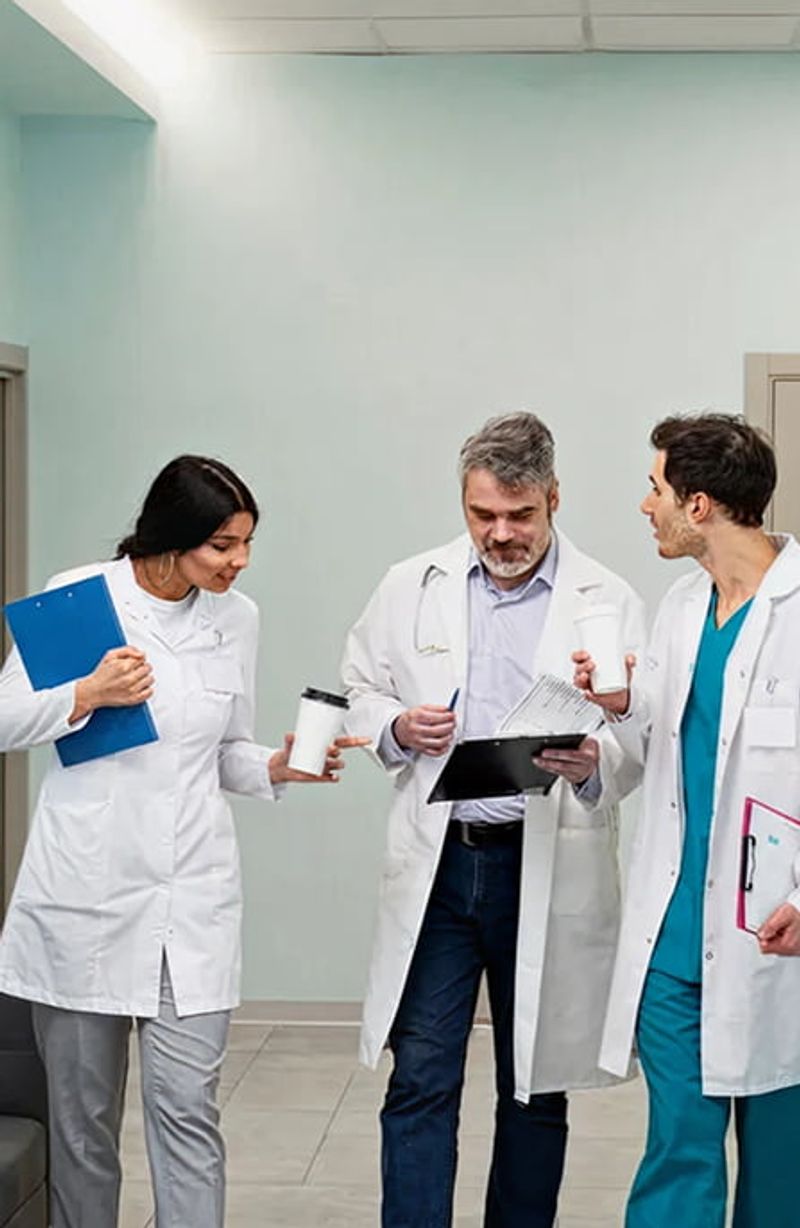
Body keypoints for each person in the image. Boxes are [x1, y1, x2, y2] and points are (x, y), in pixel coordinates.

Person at [0, 454, 366, 1228]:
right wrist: (85, 694)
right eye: (223, 545)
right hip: (85, 905)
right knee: (83, 1129)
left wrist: (278, 766)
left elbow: (224, 751)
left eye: (247, 543)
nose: (241, 561)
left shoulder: (237, 618)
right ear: (171, 537)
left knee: (188, 1114)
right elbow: (4, 721)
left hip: (190, 905)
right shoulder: (80, 597)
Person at [341, 411, 645, 1228]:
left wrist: (595, 761)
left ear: (554, 499)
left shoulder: (607, 598)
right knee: (420, 1077)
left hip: (544, 865)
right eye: (483, 515)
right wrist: (396, 726)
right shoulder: (411, 584)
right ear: (464, 502)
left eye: (520, 515)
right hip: (442, 868)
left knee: (535, 1087)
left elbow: (641, 734)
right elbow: (359, 686)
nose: (501, 535)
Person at [571, 414, 800, 1228]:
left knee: (781, 1166)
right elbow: (655, 752)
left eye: (656, 489)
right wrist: (610, 721)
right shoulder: (679, 607)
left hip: (774, 934)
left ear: (698, 504)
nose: (647, 506)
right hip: (673, 936)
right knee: (678, 1149)